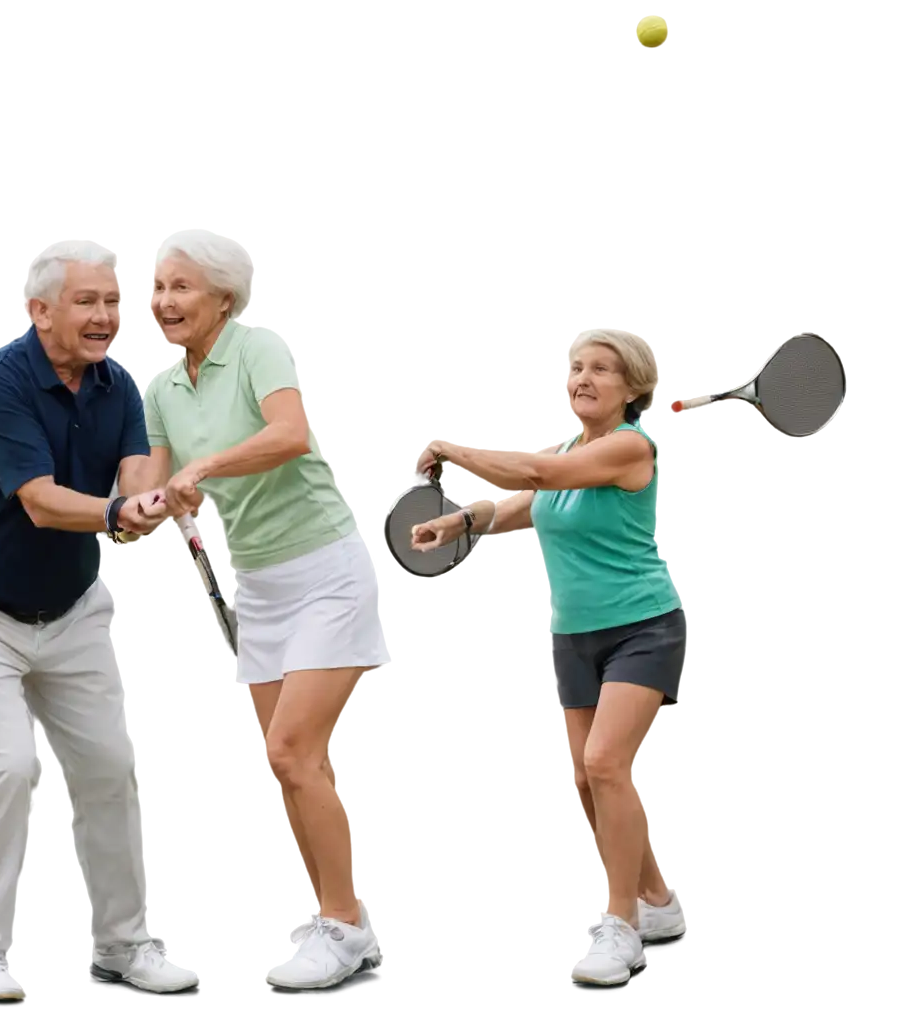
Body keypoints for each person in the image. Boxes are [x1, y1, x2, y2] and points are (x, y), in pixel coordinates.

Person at [0, 238, 204, 1007]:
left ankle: (124, 946)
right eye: (88, 301)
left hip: (72, 614)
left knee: (112, 769)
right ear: (40, 311)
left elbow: (136, 483)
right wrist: (118, 513)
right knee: (6, 765)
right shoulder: (1, 381)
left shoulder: (121, 389)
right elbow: (42, 503)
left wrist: (158, 500)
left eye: (113, 301)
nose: (107, 316)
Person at [139, 226, 389, 992]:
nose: (165, 301)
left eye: (182, 287)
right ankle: (336, 917)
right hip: (257, 582)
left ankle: (343, 930)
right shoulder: (160, 388)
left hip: (326, 570)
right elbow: (154, 486)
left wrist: (207, 465)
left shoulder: (257, 347)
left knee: (291, 752)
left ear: (222, 295)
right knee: (291, 766)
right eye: (158, 289)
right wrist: (141, 505)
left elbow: (289, 434)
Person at [410, 328, 689, 988]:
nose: (584, 378)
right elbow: (526, 503)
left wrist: (455, 447)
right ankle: (660, 904)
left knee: (604, 763)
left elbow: (542, 475)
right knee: (585, 783)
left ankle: (617, 927)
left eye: (602, 368)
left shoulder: (629, 447)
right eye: (575, 367)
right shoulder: (574, 445)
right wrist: (460, 521)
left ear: (632, 387)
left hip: (641, 626)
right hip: (574, 634)